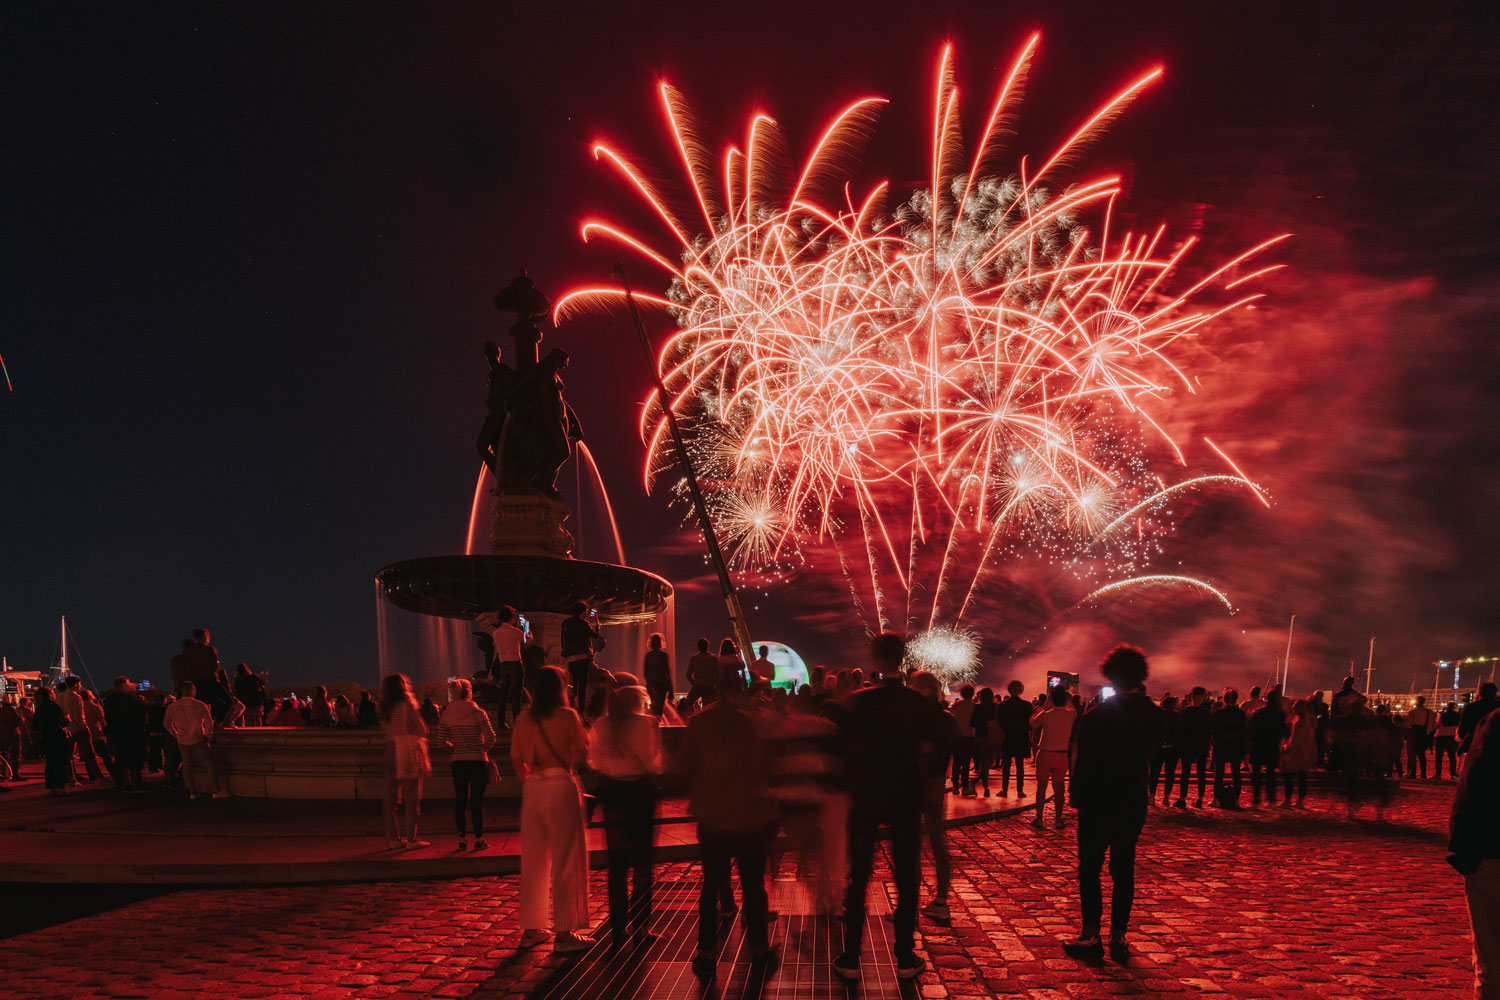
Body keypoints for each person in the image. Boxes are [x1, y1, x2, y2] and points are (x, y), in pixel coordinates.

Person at [834, 632, 947, 982]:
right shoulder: (919, 704)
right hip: (905, 794)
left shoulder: (858, 702)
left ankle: (851, 956)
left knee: (858, 876)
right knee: (907, 875)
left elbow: (840, 748)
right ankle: (904, 955)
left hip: (866, 795)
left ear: (874, 659)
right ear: (902, 659)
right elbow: (938, 742)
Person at [1064, 645, 1166, 961]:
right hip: (1132, 798)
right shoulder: (1155, 715)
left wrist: (1076, 797)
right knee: (1123, 867)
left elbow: (1082, 762)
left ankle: (1090, 935)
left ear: (1110, 675)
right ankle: (1119, 935)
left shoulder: (1097, 715)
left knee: (1090, 869)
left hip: (1097, 800)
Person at [679, 672, 778, 980]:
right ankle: (759, 948)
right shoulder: (756, 723)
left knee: (711, 885)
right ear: (742, 692)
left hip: (713, 815)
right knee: (753, 885)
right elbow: (770, 767)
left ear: (718, 690)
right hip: (750, 815)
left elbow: (683, 766)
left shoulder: (699, 722)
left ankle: (707, 952)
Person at [511, 666, 593, 954]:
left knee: (533, 859)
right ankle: (564, 932)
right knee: (566, 858)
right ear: (561, 688)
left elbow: (516, 758)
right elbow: (584, 752)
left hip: (534, 787)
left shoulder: (523, 718)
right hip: (560, 783)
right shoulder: (568, 716)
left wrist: (532, 781)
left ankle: (532, 929)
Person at [590, 672, 664, 946]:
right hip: (640, 795)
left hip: (613, 795)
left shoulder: (601, 725)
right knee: (643, 864)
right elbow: (653, 761)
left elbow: (594, 761)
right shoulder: (647, 724)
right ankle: (642, 926)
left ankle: (618, 927)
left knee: (617, 866)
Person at [1450, 708, 1500, 1000]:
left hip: (1493, 851)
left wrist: (1465, 852)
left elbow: (1474, 785)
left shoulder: (1495, 723)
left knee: (1492, 964)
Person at [906, 670, 955, 924]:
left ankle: (909, 906)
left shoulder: (916, 716)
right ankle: (941, 901)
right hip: (937, 783)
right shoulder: (947, 718)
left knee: (911, 844)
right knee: (938, 842)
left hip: (917, 783)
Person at [437, 677, 497, 851]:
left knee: (460, 801)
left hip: (458, 761)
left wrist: (455, 747)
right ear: (470, 693)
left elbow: (440, 741)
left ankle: (462, 839)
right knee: (477, 802)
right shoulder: (479, 713)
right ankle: (479, 839)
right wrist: (482, 747)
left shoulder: (447, 714)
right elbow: (491, 737)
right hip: (478, 760)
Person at [380, 673, 430, 850]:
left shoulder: (384, 708)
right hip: (406, 751)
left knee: (391, 800)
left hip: (389, 750)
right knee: (411, 798)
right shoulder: (407, 705)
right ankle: (411, 839)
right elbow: (421, 729)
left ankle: (393, 839)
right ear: (403, 686)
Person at [165, 681, 227, 798]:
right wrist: (208, 735)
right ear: (192, 690)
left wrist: (175, 733)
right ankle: (215, 790)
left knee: (187, 765)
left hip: (182, 739)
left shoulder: (172, 706)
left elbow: (166, 723)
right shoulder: (200, 705)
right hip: (198, 737)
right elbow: (209, 722)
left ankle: (191, 791)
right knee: (209, 764)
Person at [1032, 683, 1078, 828]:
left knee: (1041, 788)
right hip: (1061, 755)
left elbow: (1033, 723)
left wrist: (1045, 705)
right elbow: (1073, 709)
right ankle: (1058, 819)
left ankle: (1039, 818)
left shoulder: (1045, 714)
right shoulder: (1071, 714)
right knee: (1059, 789)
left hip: (1044, 754)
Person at [102, 676, 149, 790]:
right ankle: (136, 780)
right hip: (133, 731)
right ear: (124, 686)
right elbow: (140, 714)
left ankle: (125, 781)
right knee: (135, 756)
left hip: (118, 732)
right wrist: (142, 703)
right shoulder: (131, 699)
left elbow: (108, 716)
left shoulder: (109, 700)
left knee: (121, 756)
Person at [560, 602, 606, 710]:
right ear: (583, 611)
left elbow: (563, 639)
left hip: (571, 658)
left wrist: (565, 653)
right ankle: (580, 709)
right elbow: (595, 635)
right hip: (583, 658)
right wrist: (596, 622)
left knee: (573, 684)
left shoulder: (565, 623)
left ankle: (570, 707)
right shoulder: (584, 624)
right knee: (582, 686)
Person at [58, 678, 104, 784]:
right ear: (75, 685)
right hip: (78, 728)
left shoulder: (59, 696)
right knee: (89, 754)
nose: (80, 686)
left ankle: (72, 779)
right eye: (79, 684)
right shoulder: (76, 697)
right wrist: (84, 727)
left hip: (67, 728)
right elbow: (78, 715)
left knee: (69, 755)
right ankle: (99, 777)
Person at [488, 606, 527, 728]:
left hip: (503, 665)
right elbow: (529, 639)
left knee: (503, 695)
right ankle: (517, 722)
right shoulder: (514, 632)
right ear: (512, 617)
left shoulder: (496, 632)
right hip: (515, 664)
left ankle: (501, 722)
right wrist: (526, 626)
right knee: (516, 695)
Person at [1247, 684, 1285, 808]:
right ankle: (1271, 800)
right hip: (1272, 746)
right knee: (1270, 775)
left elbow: (1251, 730)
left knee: (1256, 775)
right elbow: (1284, 731)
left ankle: (1256, 800)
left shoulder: (1258, 713)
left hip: (1258, 745)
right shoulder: (1280, 714)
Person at [1175, 687, 1212, 808]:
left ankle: (1182, 798)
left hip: (1188, 745)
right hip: (1201, 745)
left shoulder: (1186, 712)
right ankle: (1200, 798)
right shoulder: (1207, 713)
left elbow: (1180, 730)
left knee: (1185, 772)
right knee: (1201, 772)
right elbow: (1209, 731)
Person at [32, 687, 74, 794]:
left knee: (50, 763)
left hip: (46, 737)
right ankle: (60, 787)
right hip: (58, 736)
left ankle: (51, 787)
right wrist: (68, 719)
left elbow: (35, 726)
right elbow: (63, 722)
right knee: (60, 762)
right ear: (50, 695)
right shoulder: (54, 707)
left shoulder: (39, 709)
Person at [1211, 688, 1247, 810]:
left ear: (1224, 699)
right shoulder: (1241, 714)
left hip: (1221, 746)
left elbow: (1214, 732)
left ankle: (1217, 799)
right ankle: (1236, 800)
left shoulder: (1219, 714)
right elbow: (1243, 732)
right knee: (1236, 773)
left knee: (1219, 774)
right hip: (1235, 747)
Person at [997, 680, 1033, 798]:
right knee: (1020, 765)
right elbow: (1030, 723)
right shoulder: (1027, 705)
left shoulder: (1003, 705)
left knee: (1006, 765)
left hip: (1007, 737)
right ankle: (1020, 790)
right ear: (1020, 690)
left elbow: (999, 722)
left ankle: (1004, 789)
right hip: (1021, 738)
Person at [1280, 698, 1318, 808]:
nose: (1293, 708)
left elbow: (1297, 737)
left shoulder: (1302, 721)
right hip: (1302, 752)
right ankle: (1299, 801)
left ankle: (1289, 800)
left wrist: (1287, 747)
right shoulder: (1302, 719)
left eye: (1296, 706)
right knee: (1301, 777)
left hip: (1297, 752)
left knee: (1290, 776)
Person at [1149, 695, 1180, 805]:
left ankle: (1152, 796)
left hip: (1159, 748)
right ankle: (1166, 797)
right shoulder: (1176, 716)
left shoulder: (1158, 715)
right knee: (1170, 774)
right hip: (1172, 748)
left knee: (1154, 773)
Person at [969, 687, 998, 796]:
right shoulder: (995, 707)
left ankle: (976, 782)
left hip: (980, 736)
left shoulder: (977, 707)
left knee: (984, 763)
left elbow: (972, 722)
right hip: (992, 737)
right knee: (989, 763)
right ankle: (985, 787)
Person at [950, 684, 977, 796]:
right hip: (969, 737)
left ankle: (955, 785)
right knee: (966, 763)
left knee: (956, 762)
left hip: (957, 737)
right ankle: (965, 786)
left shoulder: (955, 706)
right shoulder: (974, 707)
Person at [1462, 684, 1500, 755]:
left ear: (1479, 693)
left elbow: (1462, 732)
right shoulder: (1497, 708)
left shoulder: (1470, 708)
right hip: (1496, 750)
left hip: (1473, 748)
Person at [642, 633, 673, 716]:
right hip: (662, 686)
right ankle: (657, 724)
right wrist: (671, 689)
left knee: (654, 707)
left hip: (651, 684)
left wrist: (650, 682)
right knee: (659, 708)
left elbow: (645, 673)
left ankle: (653, 725)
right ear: (661, 643)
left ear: (651, 643)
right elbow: (667, 673)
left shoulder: (648, 656)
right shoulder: (664, 656)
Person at [685, 638, 720, 707]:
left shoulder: (694, 659)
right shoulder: (713, 658)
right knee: (709, 706)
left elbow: (688, 674)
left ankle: (692, 715)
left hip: (698, 685)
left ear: (698, 647)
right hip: (709, 686)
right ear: (707, 646)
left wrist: (694, 683)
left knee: (688, 702)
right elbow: (718, 674)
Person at [1407, 696, 1436, 779]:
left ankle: (1412, 773)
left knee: (1412, 755)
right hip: (1423, 734)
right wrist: (1427, 733)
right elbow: (1431, 725)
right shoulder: (1429, 712)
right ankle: (1423, 774)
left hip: (1414, 733)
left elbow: (1408, 723)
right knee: (1422, 755)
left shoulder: (1412, 712)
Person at [1438, 702, 1463, 779]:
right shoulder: (1458, 716)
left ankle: (1438, 774)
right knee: (1452, 756)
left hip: (1442, 735)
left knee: (1439, 756)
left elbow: (1439, 724)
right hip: (1452, 735)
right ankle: (1452, 774)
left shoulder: (1443, 715)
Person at [0, 697, 22, 782]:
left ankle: (4, 773)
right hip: (13, 734)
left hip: (2, 734)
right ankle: (15, 774)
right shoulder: (12, 711)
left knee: (4, 755)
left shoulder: (1, 711)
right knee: (15, 755)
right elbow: (18, 721)